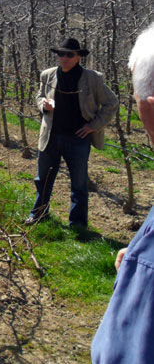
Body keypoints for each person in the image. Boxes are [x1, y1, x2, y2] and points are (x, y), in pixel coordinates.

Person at [91, 23, 154, 363]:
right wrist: (138, 256)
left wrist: (143, 267)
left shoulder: (92, 78)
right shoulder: (49, 75)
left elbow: (120, 353)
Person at [25, 38, 118, 228]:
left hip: (78, 138)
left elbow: (112, 102)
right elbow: (39, 95)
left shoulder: (92, 78)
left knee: (79, 182)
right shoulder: (47, 75)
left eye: (69, 55)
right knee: (42, 179)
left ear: (78, 58)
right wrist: (43, 104)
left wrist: (94, 125)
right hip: (51, 135)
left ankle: (77, 224)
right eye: (61, 54)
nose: (64, 58)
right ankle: (38, 214)